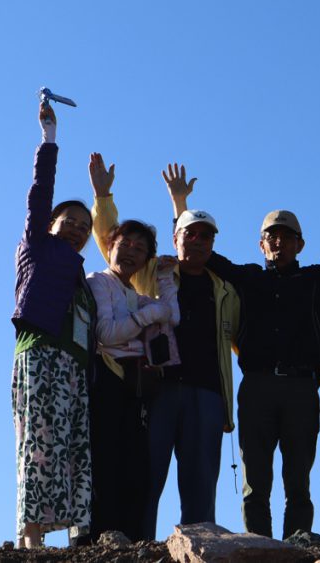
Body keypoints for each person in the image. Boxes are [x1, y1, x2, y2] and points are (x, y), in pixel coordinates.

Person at [160, 155, 320, 539]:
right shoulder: (247, 278)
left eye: (286, 236)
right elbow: (196, 249)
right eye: (271, 236)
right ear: (261, 244)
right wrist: (180, 205)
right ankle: (258, 548)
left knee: (298, 480)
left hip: (301, 387)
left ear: (300, 244)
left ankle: (297, 546)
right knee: (254, 481)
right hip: (257, 385)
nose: (278, 241)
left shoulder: (314, 280)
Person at [88, 155, 240, 541]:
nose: (198, 240)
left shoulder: (225, 289)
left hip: (207, 393)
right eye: (190, 233)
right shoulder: (152, 271)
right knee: (146, 475)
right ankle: (140, 545)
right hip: (156, 388)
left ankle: (201, 548)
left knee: (200, 484)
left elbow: (240, 337)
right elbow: (113, 238)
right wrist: (103, 195)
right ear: (177, 237)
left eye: (206, 236)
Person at [10, 101, 96, 548]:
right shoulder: (37, 248)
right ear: (51, 223)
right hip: (40, 356)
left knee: (71, 449)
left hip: (73, 365)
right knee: (40, 444)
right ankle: (30, 534)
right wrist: (49, 139)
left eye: (85, 227)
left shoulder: (80, 275)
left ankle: (62, 535)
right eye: (71, 222)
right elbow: (40, 191)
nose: (78, 230)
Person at [83, 220, 180, 544]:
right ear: (109, 245)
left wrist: (165, 276)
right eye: (125, 244)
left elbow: (171, 314)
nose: (131, 252)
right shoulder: (99, 281)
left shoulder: (134, 294)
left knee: (135, 464)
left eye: (140, 249)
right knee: (106, 460)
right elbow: (106, 333)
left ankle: (129, 541)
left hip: (135, 385)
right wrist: (144, 318)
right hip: (105, 379)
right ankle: (100, 539)